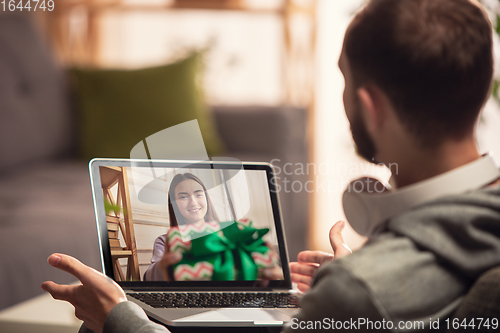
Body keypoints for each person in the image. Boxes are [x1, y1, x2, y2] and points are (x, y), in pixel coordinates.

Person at [41, 0, 500, 332]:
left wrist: (120, 317)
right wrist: (369, 278)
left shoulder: (357, 292)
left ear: (370, 106)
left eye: (342, 79)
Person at [143, 172, 220, 281]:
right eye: (183, 197)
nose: (193, 202)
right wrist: (164, 265)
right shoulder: (165, 242)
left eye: (198, 194)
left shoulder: (226, 235)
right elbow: (149, 278)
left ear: (206, 198)